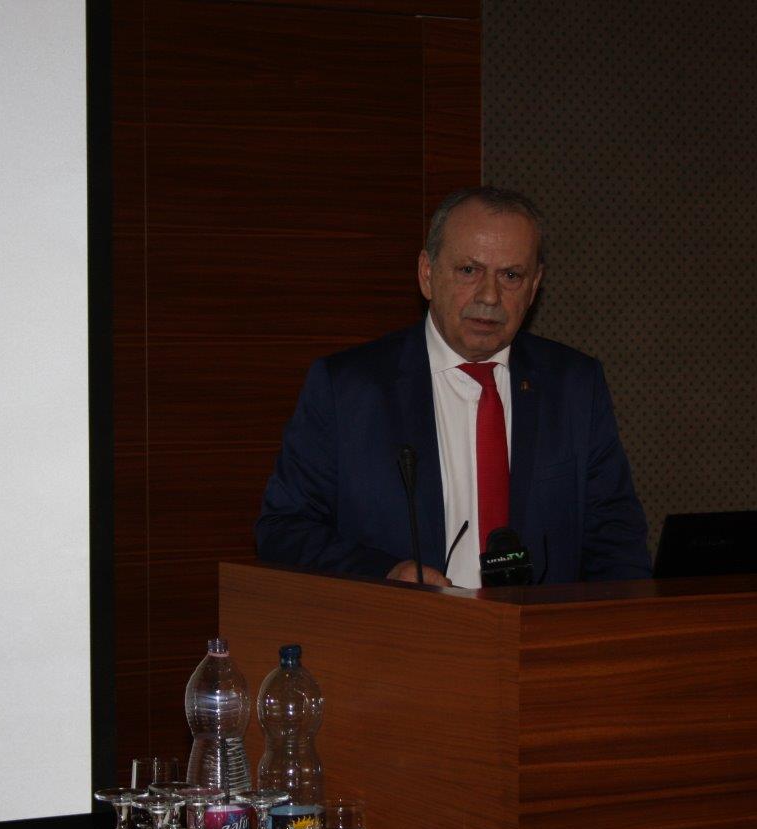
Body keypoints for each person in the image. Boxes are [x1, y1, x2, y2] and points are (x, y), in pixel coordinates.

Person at [255, 186, 651, 587]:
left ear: (534, 287)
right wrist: (385, 573)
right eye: (468, 270)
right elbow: (285, 529)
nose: (490, 296)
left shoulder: (574, 385)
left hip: (536, 623)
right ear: (427, 275)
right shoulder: (348, 388)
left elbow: (616, 539)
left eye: (511, 276)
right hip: (403, 623)